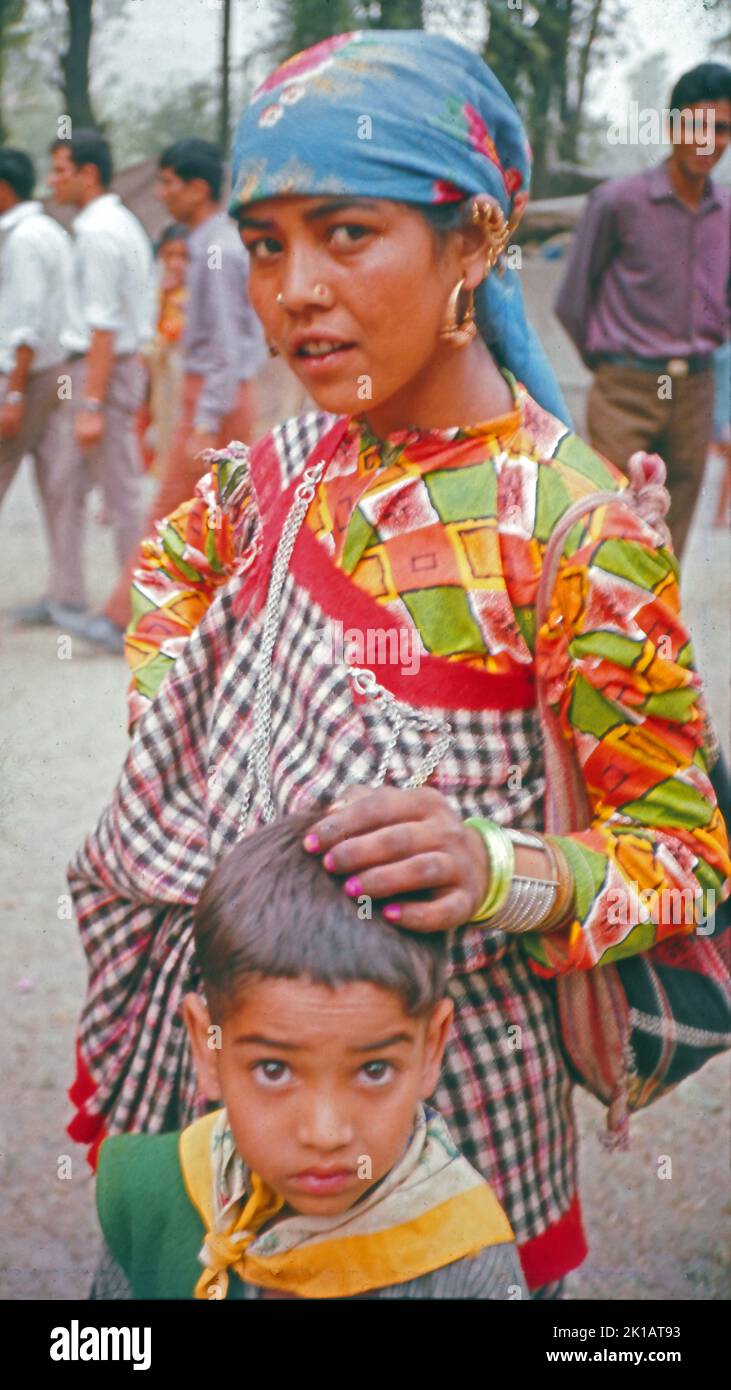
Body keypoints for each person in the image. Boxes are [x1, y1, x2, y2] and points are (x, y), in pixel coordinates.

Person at [68, 31, 731, 1300]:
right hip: (242, 1105)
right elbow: (168, 574)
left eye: (346, 234)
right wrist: (195, 769)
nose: (293, 290)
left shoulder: (571, 532)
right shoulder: (282, 468)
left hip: (455, 1138)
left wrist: (495, 865)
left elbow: (686, 863)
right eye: (266, 245)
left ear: (474, 243)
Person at [90, 813, 526, 1300]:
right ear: (207, 1047)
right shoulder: (151, 1195)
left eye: (373, 1070)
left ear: (431, 1048)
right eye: (273, 1070)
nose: (325, 1134)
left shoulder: (465, 1256)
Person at [83, 138, 267, 653]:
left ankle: (121, 616)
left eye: (167, 183)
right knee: (217, 515)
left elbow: (228, 347)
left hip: (214, 397)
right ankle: (230, 624)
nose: (160, 193)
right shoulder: (215, 240)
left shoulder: (216, 250)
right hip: (214, 395)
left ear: (197, 188)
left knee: (169, 511)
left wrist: (207, 418)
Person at [555, 62, 731, 558]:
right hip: (625, 394)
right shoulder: (617, 202)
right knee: (611, 536)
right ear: (673, 127)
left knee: (670, 543)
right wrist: (612, 366)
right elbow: (572, 300)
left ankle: (659, 637)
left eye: (721, 128)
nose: (708, 140)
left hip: (694, 395)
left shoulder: (728, 214)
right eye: (696, 125)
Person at [15, 130, 153, 630]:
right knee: (63, 483)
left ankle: (137, 611)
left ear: (88, 174)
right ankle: (66, 596)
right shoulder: (104, 224)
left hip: (103, 372)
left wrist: (91, 404)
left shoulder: (99, 233)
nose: (53, 181)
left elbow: (103, 327)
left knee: (120, 494)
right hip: (86, 371)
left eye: (61, 170)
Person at [0, 149, 80, 619]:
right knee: (57, 484)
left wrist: (12, 392)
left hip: (24, 376)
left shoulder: (25, 239)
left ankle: (66, 596)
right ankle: (66, 594)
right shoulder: (47, 229)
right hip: (52, 371)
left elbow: (26, 321)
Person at [141, 223, 189, 476]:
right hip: (162, 381)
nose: (175, 263)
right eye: (169, 255)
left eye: (183, 256)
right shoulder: (160, 290)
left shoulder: (194, 294)